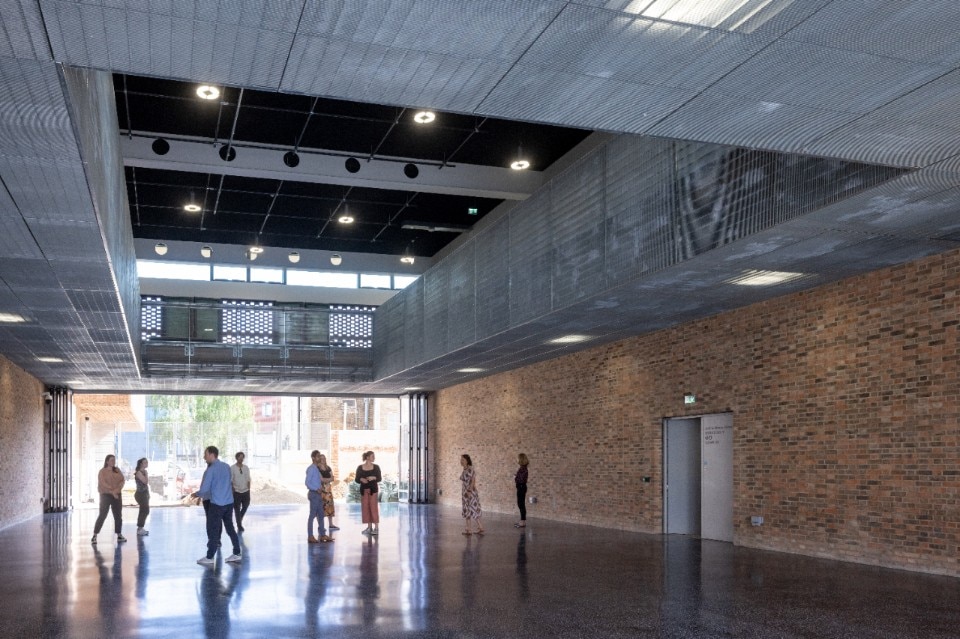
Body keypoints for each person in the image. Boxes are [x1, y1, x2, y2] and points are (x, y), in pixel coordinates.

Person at [193, 446, 242, 565]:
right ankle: (237, 553)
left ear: (211, 454)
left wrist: (196, 494)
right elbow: (228, 483)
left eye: (205, 454)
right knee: (230, 528)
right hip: (229, 503)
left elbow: (204, 489)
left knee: (213, 529)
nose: (204, 457)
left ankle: (210, 557)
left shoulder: (211, 469)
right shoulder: (226, 466)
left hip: (217, 504)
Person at [92, 454, 127, 544]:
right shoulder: (102, 472)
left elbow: (122, 481)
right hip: (105, 495)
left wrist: (117, 491)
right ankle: (95, 535)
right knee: (103, 514)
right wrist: (112, 492)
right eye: (111, 460)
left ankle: (119, 534)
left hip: (117, 495)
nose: (113, 462)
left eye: (114, 460)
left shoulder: (117, 470)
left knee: (118, 515)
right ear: (107, 461)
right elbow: (103, 484)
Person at [305, 450, 332, 543]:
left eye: (320, 456)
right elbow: (307, 483)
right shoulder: (311, 469)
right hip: (314, 494)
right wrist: (316, 489)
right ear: (313, 458)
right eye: (317, 457)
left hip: (319, 494)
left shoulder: (317, 468)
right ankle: (310, 536)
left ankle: (322, 535)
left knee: (321, 515)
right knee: (312, 515)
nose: (319, 458)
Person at [355, 451, 381, 535]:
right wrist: (361, 479)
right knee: (365, 508)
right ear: (367, 457)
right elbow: (357, 479)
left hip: (373, 490)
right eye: (372, 456)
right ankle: (369, 527)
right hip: (363, 490)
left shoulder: (376, 467)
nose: (374, 458)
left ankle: (376, 528)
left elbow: (379, 478)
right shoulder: (360, 467)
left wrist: (373, 477)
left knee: (373, 508)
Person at [460, 454, 484, 535]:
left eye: (463, 459)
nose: (461, 461)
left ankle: (471, 529)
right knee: (468, 510)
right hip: (465, 493)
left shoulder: (470, 469)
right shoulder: (465, 469)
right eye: (461, 459)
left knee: (472, 509)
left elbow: (473, 481)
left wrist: (469, 491)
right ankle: (472, 528)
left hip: (470, 493)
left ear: (467, 460)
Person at [317, 453, 339, 531]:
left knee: (330, 506)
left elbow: (332, 478)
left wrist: (327, 479)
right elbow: (321, 479)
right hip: (321, 490)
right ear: (319, 459)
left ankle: (331, 524)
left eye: (324, 458)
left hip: (328, 490)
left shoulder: (328, 468)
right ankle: (321, 526)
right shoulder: (317, 468)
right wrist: (328, 479)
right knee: (321, 507)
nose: (323, 459)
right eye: (321, 458)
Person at [231, 451, 251, 532]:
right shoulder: (232, 468)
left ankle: (239, 518)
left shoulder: (246, 468)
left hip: (246, 491)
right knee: (236, 509)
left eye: (242, 457)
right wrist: (232, 490)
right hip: (236, 491)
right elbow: (231, 480)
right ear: (236, 458)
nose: (241, 458)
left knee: (246, 505)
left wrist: (249, 489)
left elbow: (248, 479)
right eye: (240, 457)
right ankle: (239, 525)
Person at [134, 458, 150, 536]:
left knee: (144, 510)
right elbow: (145, 481)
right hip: (140, 494)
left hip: (145, 493)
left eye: (147, 462)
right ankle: (140, 528)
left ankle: (140, 528)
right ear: (141, 464)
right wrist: (146, 474)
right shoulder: (139, 473)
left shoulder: (144, 472)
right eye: (145, 462)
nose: (147, 463)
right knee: (145, 510)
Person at [514, 453, 529, 528]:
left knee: (521, 504)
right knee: (520, 504)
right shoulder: (522, 468)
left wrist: (516, 477)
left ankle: (523, 522)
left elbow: (521, 479)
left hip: (521, 487)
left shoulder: (523, 469)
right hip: (520, 486)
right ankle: (522, 521)